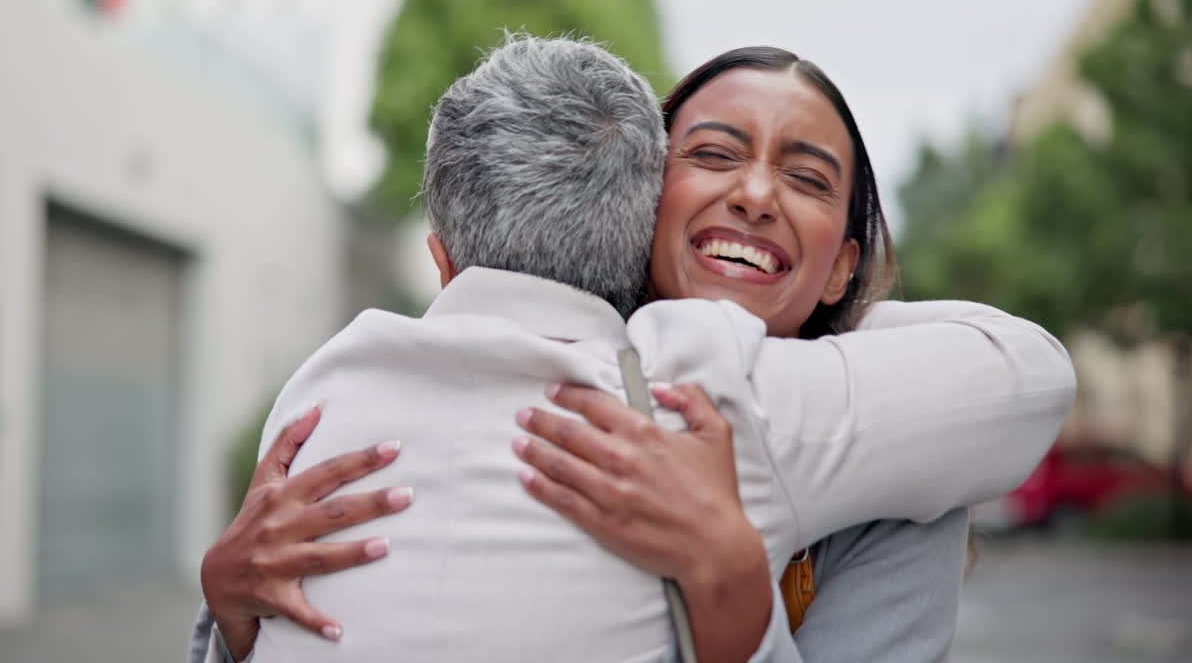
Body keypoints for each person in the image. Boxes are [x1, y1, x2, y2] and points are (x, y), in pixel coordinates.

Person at [192, 39, 1074, 663]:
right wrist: (229, 612)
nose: (757, 193)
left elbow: (1024, 370)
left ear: (846, 263)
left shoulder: (901, 454)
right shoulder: (678, 378)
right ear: (640, 200)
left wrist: (732, 589)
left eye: (807, 179)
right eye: (713, 153)